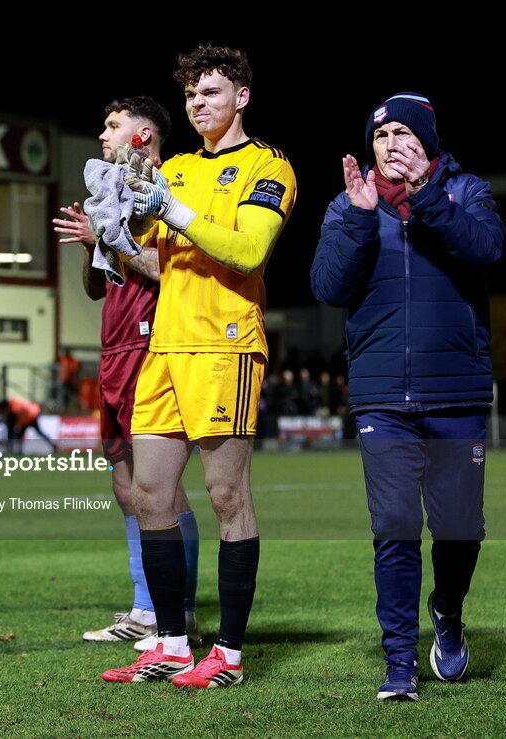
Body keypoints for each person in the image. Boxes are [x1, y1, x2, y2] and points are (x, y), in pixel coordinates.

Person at [100, 45, 296, 687]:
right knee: (151, 494)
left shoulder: (268, 167)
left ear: (241, 97)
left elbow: (248, 249)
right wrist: (114, 237)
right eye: (190, 96)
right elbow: (162, 264)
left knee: (225, 496)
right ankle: (172, 643)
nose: (197, 104)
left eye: (209, 93)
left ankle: (230, 657)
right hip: (166, 348)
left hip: (225, 346)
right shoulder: (176, 167)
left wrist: (173, 211)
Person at [311, 93, 502, 701]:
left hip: (457, 392)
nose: (390, 143)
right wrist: (363, 220)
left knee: (459, 530)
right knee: (394, 528)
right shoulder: (350, 203)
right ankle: (399, 663)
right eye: (380, 134)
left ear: (428, 141)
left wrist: (423, 196)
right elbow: (327, 285)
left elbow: (485, 249)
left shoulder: (466, 192)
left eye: (403, 132)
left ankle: (446, 613)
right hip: (382, 395)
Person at [53, 97, 199, 650]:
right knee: (124, 486)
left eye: (112, 125)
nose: (102, 134)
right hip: (112, 350)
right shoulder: (111, 196)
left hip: (151, 349)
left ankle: (178, 613)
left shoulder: (168, 192)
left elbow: (170, 271)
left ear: (143, 136)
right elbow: (99, 287)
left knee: (157, 486)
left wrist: (113, 239)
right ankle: (144, 608)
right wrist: (93, 244)